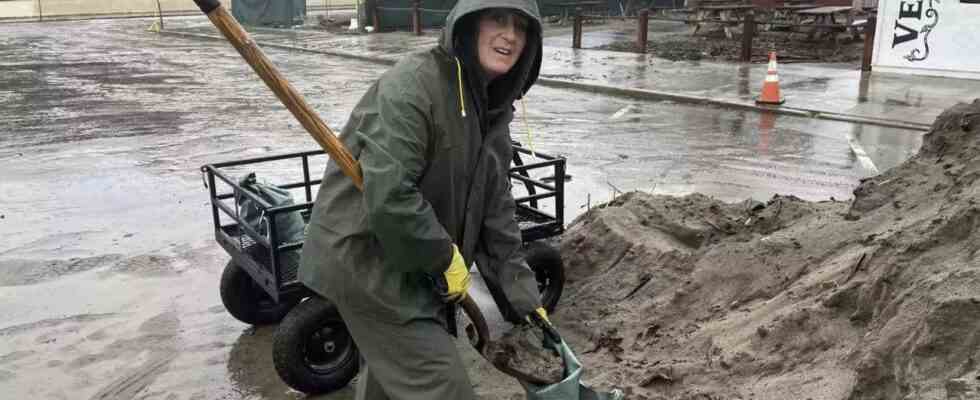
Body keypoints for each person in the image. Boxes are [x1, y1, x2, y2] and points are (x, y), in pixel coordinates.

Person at [298, 0, 548, 398]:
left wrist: (523, 297)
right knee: (442, 388)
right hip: (369, 262)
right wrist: (443, 257)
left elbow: (497, 213)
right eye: (498, 19)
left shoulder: (493, 110)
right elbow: (391, 194)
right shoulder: (413, 86)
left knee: (390, 381)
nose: (510, 35)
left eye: (521, 26)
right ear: (468, 24)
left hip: (413, 263)